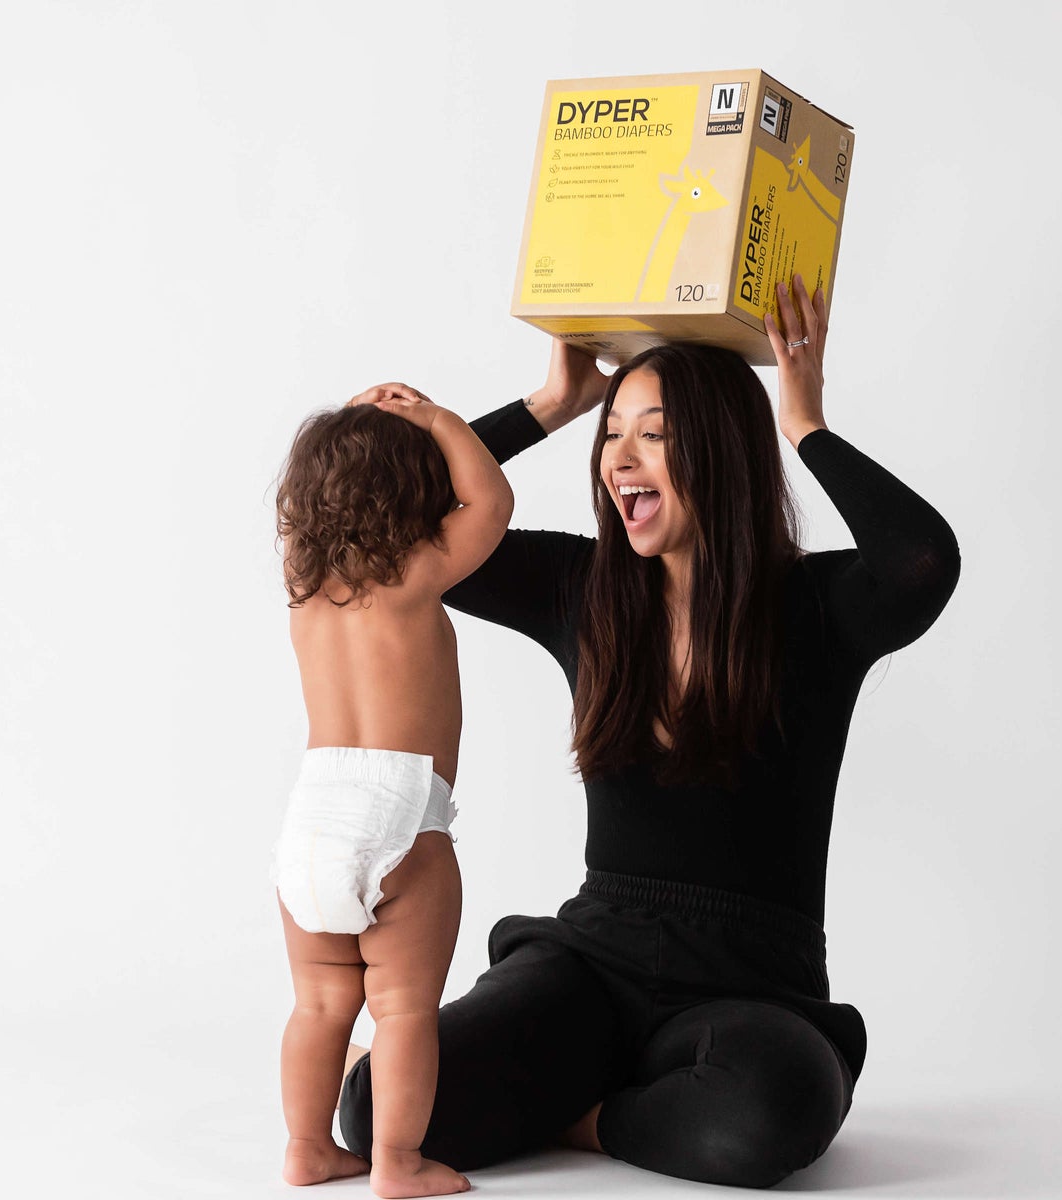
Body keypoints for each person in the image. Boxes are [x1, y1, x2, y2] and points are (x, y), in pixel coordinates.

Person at [337, 276, 962, 1188]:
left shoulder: (817, 608)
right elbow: (393, 529)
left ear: (721, 453)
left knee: (768, 1115)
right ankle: (635, 1096)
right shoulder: (581, 587)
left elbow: (922, 559)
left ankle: (589, 1113)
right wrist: (552, 403)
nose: (621, 459)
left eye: (656, 435)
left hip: (752, 990)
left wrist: (804, 419)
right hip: (589, 966)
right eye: (614, 434)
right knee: (372, 1113)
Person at [272, 386, 513, 1197]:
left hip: (309, 820)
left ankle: (306, 1148)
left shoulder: (304, 593)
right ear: (418, 498)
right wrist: (442, 422)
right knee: (403, 1010)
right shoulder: (415, 573)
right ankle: (396, 1163)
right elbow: (492, 501)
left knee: (318, 1006)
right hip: (400, 817)